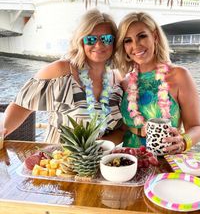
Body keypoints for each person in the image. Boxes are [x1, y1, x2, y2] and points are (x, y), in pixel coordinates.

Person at [3, 8, 123, 143]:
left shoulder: (117, 81)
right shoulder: (61, 72)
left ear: (114, 42)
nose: (98, 44)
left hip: (101, 161)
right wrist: (2, 130)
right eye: (90, 39)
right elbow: (21, 106)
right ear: (81, 41)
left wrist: (100, 146)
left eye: (106, 38)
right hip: (57, 159)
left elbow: (120, 131)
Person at [114, 12, 200, 153]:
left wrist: (183, 142)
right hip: (130, 162)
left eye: (142, 36)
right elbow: (123, 128)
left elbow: (196, 127)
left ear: (154, 36)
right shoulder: (125, 82)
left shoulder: (180, 75)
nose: (135, 45)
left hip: (164, 163)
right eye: (127, 40)